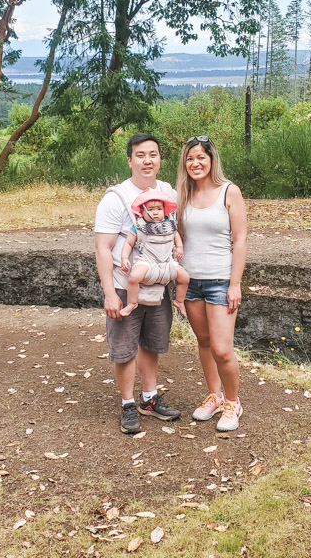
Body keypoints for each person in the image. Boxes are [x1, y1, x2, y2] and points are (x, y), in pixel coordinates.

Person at [94, 133, 182, 434]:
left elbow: (172, 232)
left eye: (153, 154)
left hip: (158, 286)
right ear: (130, 159)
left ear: (160, 159)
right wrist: (109, 294)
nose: (148, 160)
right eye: (141, 155)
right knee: (124, 348)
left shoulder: (168, 192)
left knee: (151, 343)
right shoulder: (116, 198)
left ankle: (149, 398)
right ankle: (128, 403)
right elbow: (103, 248)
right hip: (124, 285)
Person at [177, 135, 248, 431]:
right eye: (190, 158)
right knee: (204, 343)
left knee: (222, 348)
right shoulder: (182, 194)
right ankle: (214, 396)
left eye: (201, 157)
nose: (196, 163)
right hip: (191, 282)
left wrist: (235, 283)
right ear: (185, 163)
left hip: (220, 281)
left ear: (211, 160)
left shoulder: (229, 191)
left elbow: (240, 239)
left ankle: (233, 402)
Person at [119, 189, 191, 318]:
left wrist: (179, 248)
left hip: (168, 263)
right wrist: (124, 258)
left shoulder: (169, 225)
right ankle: (132, 303)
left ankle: (179, 301)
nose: (155, 212)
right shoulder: (139, 227)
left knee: (185, 277)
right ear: (141, 212)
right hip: (147, 261)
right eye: (151, 209)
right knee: (134, 277)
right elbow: (128, 243)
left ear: (165, 210)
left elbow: (176, 236)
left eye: (159, 208)